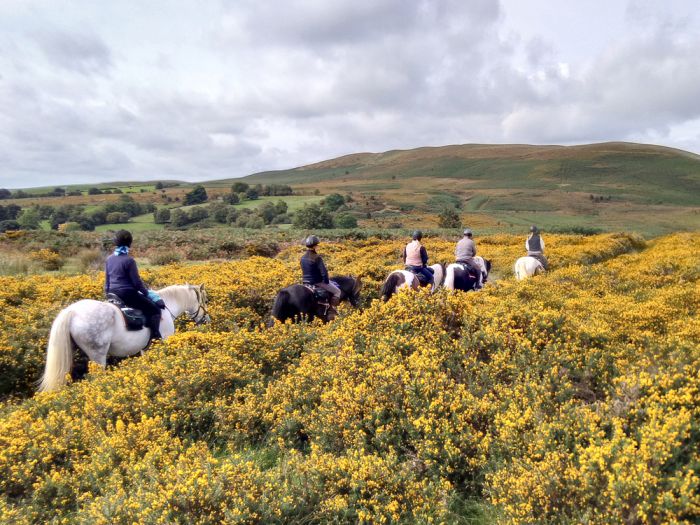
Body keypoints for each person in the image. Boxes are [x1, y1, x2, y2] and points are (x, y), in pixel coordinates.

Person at [105, 230, 163, 340]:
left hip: (112, 293)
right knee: (155, 310)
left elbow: (107, 281)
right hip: (127, 294)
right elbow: (136, 283)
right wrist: (148, 294)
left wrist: (107, 294)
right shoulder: (129, 260)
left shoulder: (109, 259)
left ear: (115, 243)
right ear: (129, 243)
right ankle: (155, 337)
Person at [300, 235, 341, 306]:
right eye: (317, 245)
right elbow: (324, 272)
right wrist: (326, 282)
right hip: (317, 282)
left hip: (305, 281)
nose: (317, 246)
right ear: (314, 246)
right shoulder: (317, 257)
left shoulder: (302, 257)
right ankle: (331, 309)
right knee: (338, 291)